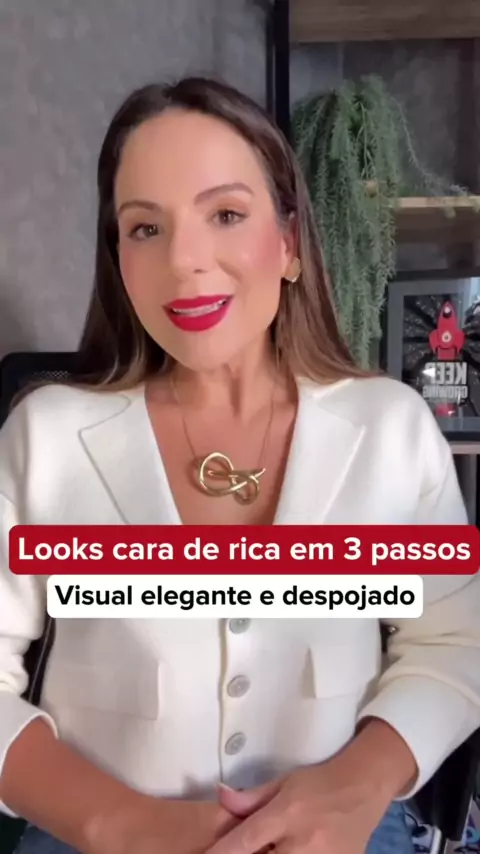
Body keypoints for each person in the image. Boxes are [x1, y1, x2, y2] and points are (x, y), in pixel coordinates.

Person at [0, 76, 479, 854]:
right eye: (145, 228)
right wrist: (119, 823)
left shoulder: (389, 430)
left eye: (225, 214)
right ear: (117, 258)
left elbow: (457, 638)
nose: (184, 261)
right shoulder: (45, 436)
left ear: (289, 244)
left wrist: (357, 786)